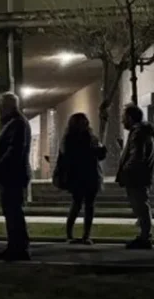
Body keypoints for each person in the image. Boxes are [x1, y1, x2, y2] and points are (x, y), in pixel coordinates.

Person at [0, 92, 32, 262]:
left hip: (12, 176)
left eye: (0, 105)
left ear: (7, 105)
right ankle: (15, 246)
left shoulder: (17, 124)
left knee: (13, 213)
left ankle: (18, 248)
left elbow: (14, 151)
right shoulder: (14, 123)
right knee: (12, 213)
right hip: (11, 175)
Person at [53, 113, 106, 245]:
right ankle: (74, 234)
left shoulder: (86, 138)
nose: (85, 125)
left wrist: (101, 150)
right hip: (80, 176)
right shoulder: (73, 139)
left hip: (88, 175)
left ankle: (83, 235)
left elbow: (98, 155)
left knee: (86, 205)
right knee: (79, 204)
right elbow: (68, 158)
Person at [116, 105, 154, 249]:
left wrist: (126, 170)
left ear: (130, 118)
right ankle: (144, 236)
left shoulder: (138, 133)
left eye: (123, 118)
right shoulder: (139, 132)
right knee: (140, 206)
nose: (122, 121)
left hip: (136, 176)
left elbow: (137, 155)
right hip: (138, 175)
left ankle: (145, 238)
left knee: (141, 206)